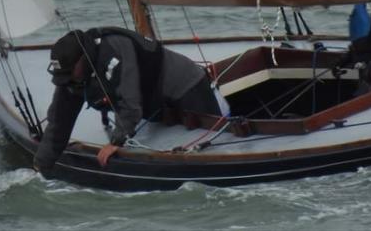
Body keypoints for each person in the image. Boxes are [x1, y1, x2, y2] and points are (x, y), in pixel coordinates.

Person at [33, 26, 229, 174]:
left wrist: (116, 141)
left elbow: (130, 101)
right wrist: (41, 165)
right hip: (155, 102)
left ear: (82, 59)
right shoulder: (71, 76)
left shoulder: (114, 51)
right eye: (63, 76)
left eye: (69, 74)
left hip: (187, 86)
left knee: (214, 141)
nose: (66, 81)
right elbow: (60, 119)